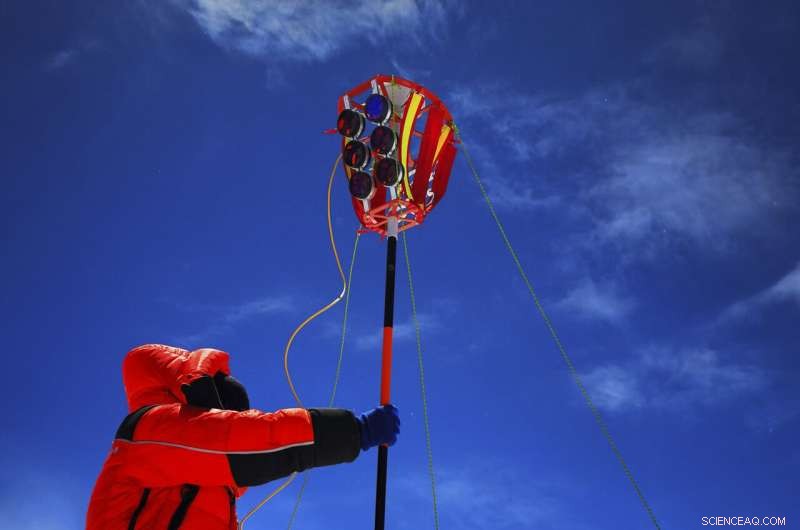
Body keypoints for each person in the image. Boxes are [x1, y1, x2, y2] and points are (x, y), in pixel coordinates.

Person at [86, 344, 399, 529]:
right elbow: (242, 441)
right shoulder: (148, 429)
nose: (229, 420)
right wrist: (355, 432)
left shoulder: (219, 491)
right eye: (223, 414)